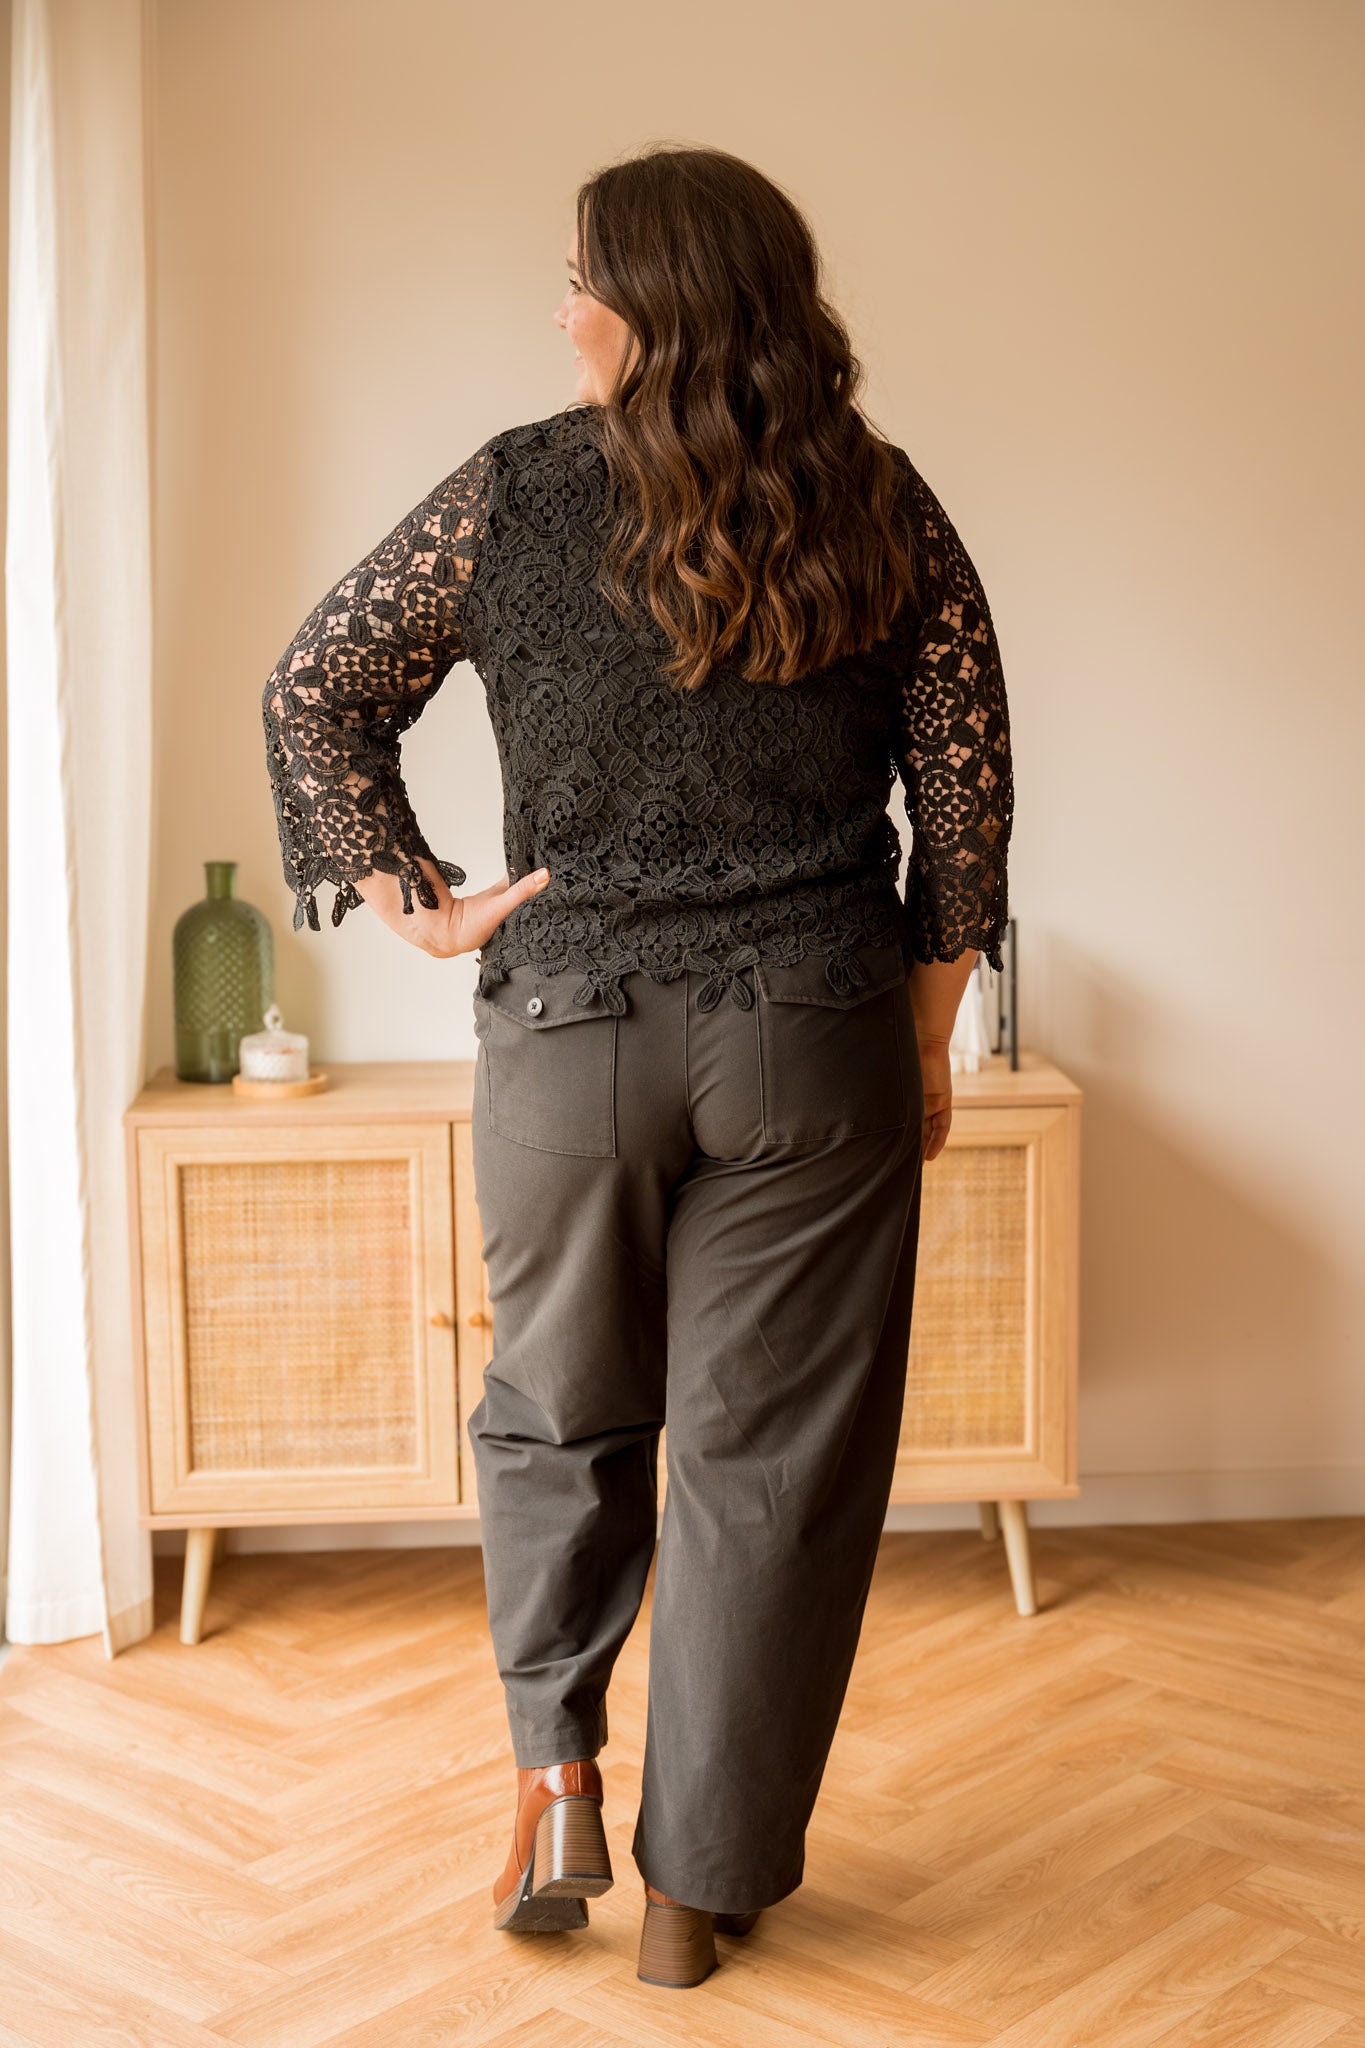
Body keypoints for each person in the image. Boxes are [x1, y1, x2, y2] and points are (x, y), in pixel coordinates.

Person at [261, 142, 1013, 1991]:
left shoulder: (511, 493)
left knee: (554, 1415)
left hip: (567, 1035)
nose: (558, 311)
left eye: (579, 278)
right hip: (809, 1036)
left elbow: (314, 686)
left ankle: (555, 1777)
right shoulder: (880, 501)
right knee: (772, 1467)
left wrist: (423, 907)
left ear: (657, 306)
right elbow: (966, 804)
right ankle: (700, 1889)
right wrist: (921, 1041)